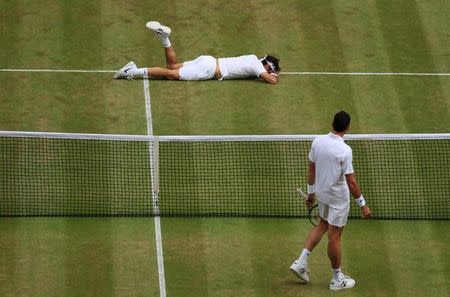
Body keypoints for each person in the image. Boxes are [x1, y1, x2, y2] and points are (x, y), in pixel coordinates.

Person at [289, 111, 372, 291]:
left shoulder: (318, 141)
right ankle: (336, 279)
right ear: (347, 128)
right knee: (334, 237)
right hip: (338, 200)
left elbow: (311, 170)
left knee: (321, 225)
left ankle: (300, 262)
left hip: (322, 194)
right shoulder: (345, 150)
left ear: (332, 123)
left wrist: (311, 194)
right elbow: (351, 181)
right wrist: (363, 204)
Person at [113, 21, 280, 84]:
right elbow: (271, 81)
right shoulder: (256, 66)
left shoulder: (251, 58)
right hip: (207, 70)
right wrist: (273, 76)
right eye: (270, 69)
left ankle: (164, 38)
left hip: (207, 60)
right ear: (266, 65)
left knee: (171, 65)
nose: (269, 72)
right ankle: (131, 71)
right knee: (170, 74)